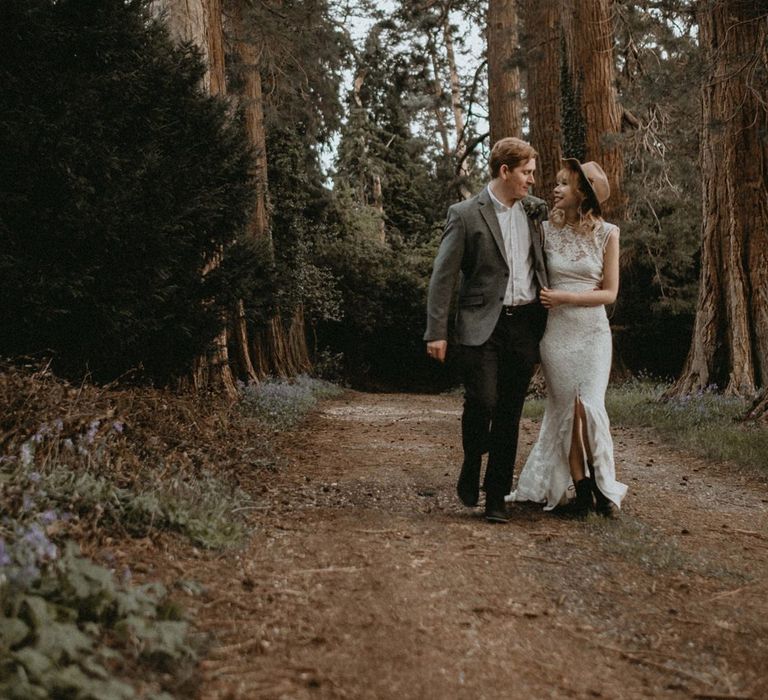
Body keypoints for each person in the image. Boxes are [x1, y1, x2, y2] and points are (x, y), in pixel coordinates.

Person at [424, 137, 549, 523]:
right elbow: (443, 277)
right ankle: (471, 459)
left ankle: (496, 496)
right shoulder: (464, 214)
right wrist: (436, 332)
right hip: (481, 326)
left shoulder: (535, 212)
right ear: (505, 171)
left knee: (510, 412)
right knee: (483, 402)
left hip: (525, 324)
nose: (532, 180)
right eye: (526, 173)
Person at [507, 158, 627, 517]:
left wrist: (566, 298)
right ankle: (582, 487)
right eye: (556, 182)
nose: (555, 188)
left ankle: (605, 487)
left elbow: (609, 294)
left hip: (592, 332)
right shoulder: (545, 230)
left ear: (583, 194)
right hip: (556, 334)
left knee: (588, 406)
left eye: (564, 183)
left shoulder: (609, 234)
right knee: (564, 411)